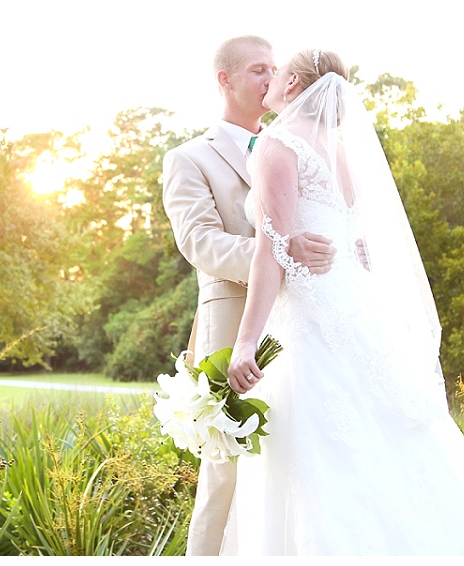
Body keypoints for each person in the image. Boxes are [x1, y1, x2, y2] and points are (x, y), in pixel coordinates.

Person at [223, 48, 464, 556]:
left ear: (295, 82)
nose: (271, 78)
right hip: (355, 307)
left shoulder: (277, 144)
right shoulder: (342, 150)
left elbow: (270, 249)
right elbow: (358, 245)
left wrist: (245, 343)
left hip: (311, 316)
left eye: (277, 71)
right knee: (381, 444)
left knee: (319, 453)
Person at [161, 36, 337, 556]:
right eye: (258, 70)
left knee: (291, 461)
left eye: (274, 69)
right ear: (225, 79)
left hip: (301, 325)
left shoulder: (301, 145)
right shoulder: (190, 158)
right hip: (231, 323)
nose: (271, 79)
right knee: (226, 470)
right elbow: (200, 243)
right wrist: (280, 254)